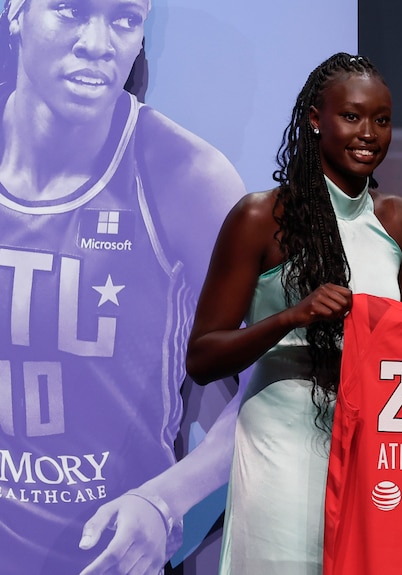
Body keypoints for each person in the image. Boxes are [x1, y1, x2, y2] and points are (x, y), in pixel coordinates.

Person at [0, 0, 248, 573]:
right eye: (69, 10)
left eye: (124, 18)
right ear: (15, 12)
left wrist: (163, 502)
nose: (97, 42)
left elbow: (283, 373)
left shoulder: (186, 178)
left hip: (110, 562)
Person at [184, 52, 402, 575]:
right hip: (281, 440)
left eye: (381, 120)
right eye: (352, 116)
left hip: (373, 445)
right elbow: (202, 357)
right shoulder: (259, 217)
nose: (369, 133)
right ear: (316, 118)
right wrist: (291, 318)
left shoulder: (400, 221)